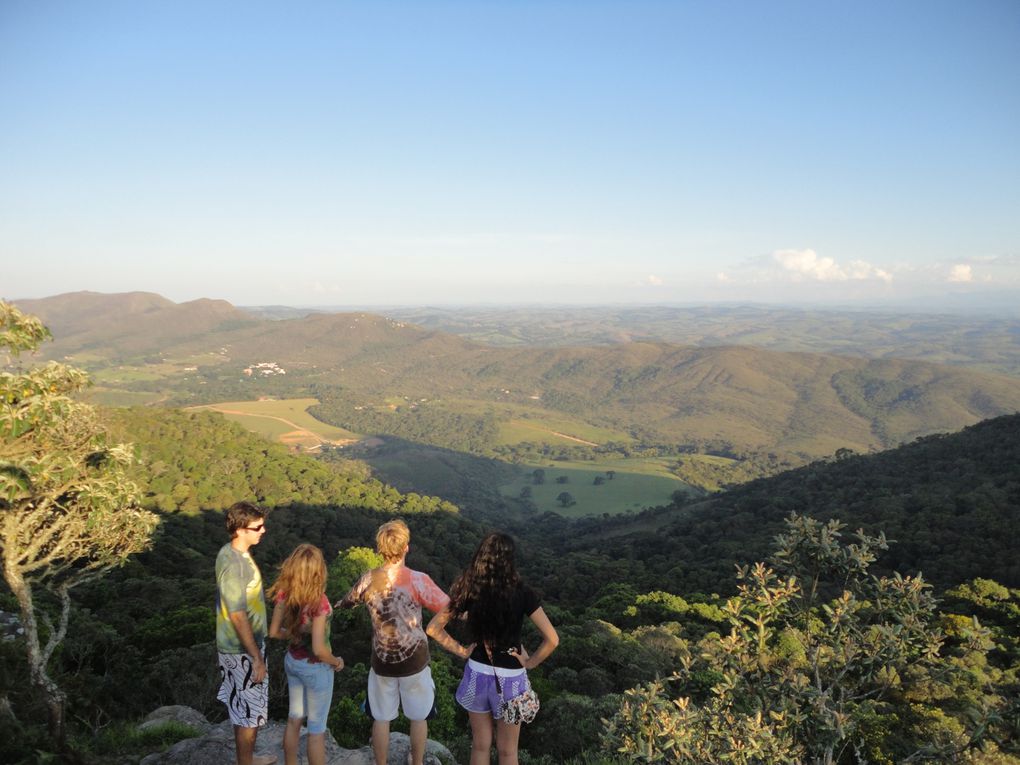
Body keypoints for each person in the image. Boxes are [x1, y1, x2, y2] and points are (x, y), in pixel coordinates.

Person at [427, 532, 559, 765]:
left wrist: (461, 650)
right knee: (508, 752)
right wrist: (530, 662)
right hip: (511, 680)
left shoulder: (469, 588)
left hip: (477, 674)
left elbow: (433, 628)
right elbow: (552, 639)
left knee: (480, 745)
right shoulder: (523, 592)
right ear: (510, 560)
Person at [336, 520, 450, 765]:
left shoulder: (368, 579)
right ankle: (417, 762)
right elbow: (448, 607)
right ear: (406, 547)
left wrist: (335, 605)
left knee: (381, 717)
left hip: (382, 660)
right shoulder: (419, 580)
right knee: (419, 717)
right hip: (415, 660)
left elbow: (347, 601)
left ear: (380, 549)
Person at [268, 544, 345, 765]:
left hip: (293, 661)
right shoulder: (319, 602)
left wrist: (294, 634)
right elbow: (320, 650)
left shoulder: (285, 593)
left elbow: (274, 632)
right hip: (315, 669)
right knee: (316, 730)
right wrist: (337, 662)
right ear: (318, 571)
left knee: (294, 719)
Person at [215, 501, 277, 765]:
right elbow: (238, 615)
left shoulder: (233, 553)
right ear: (240, 529)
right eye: (257, 527)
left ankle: (247, 760)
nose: (263, 530)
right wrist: (256, 658)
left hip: (239, 648)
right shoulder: (234, 566)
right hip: (242, 651)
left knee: (242, 710)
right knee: (250, 715)